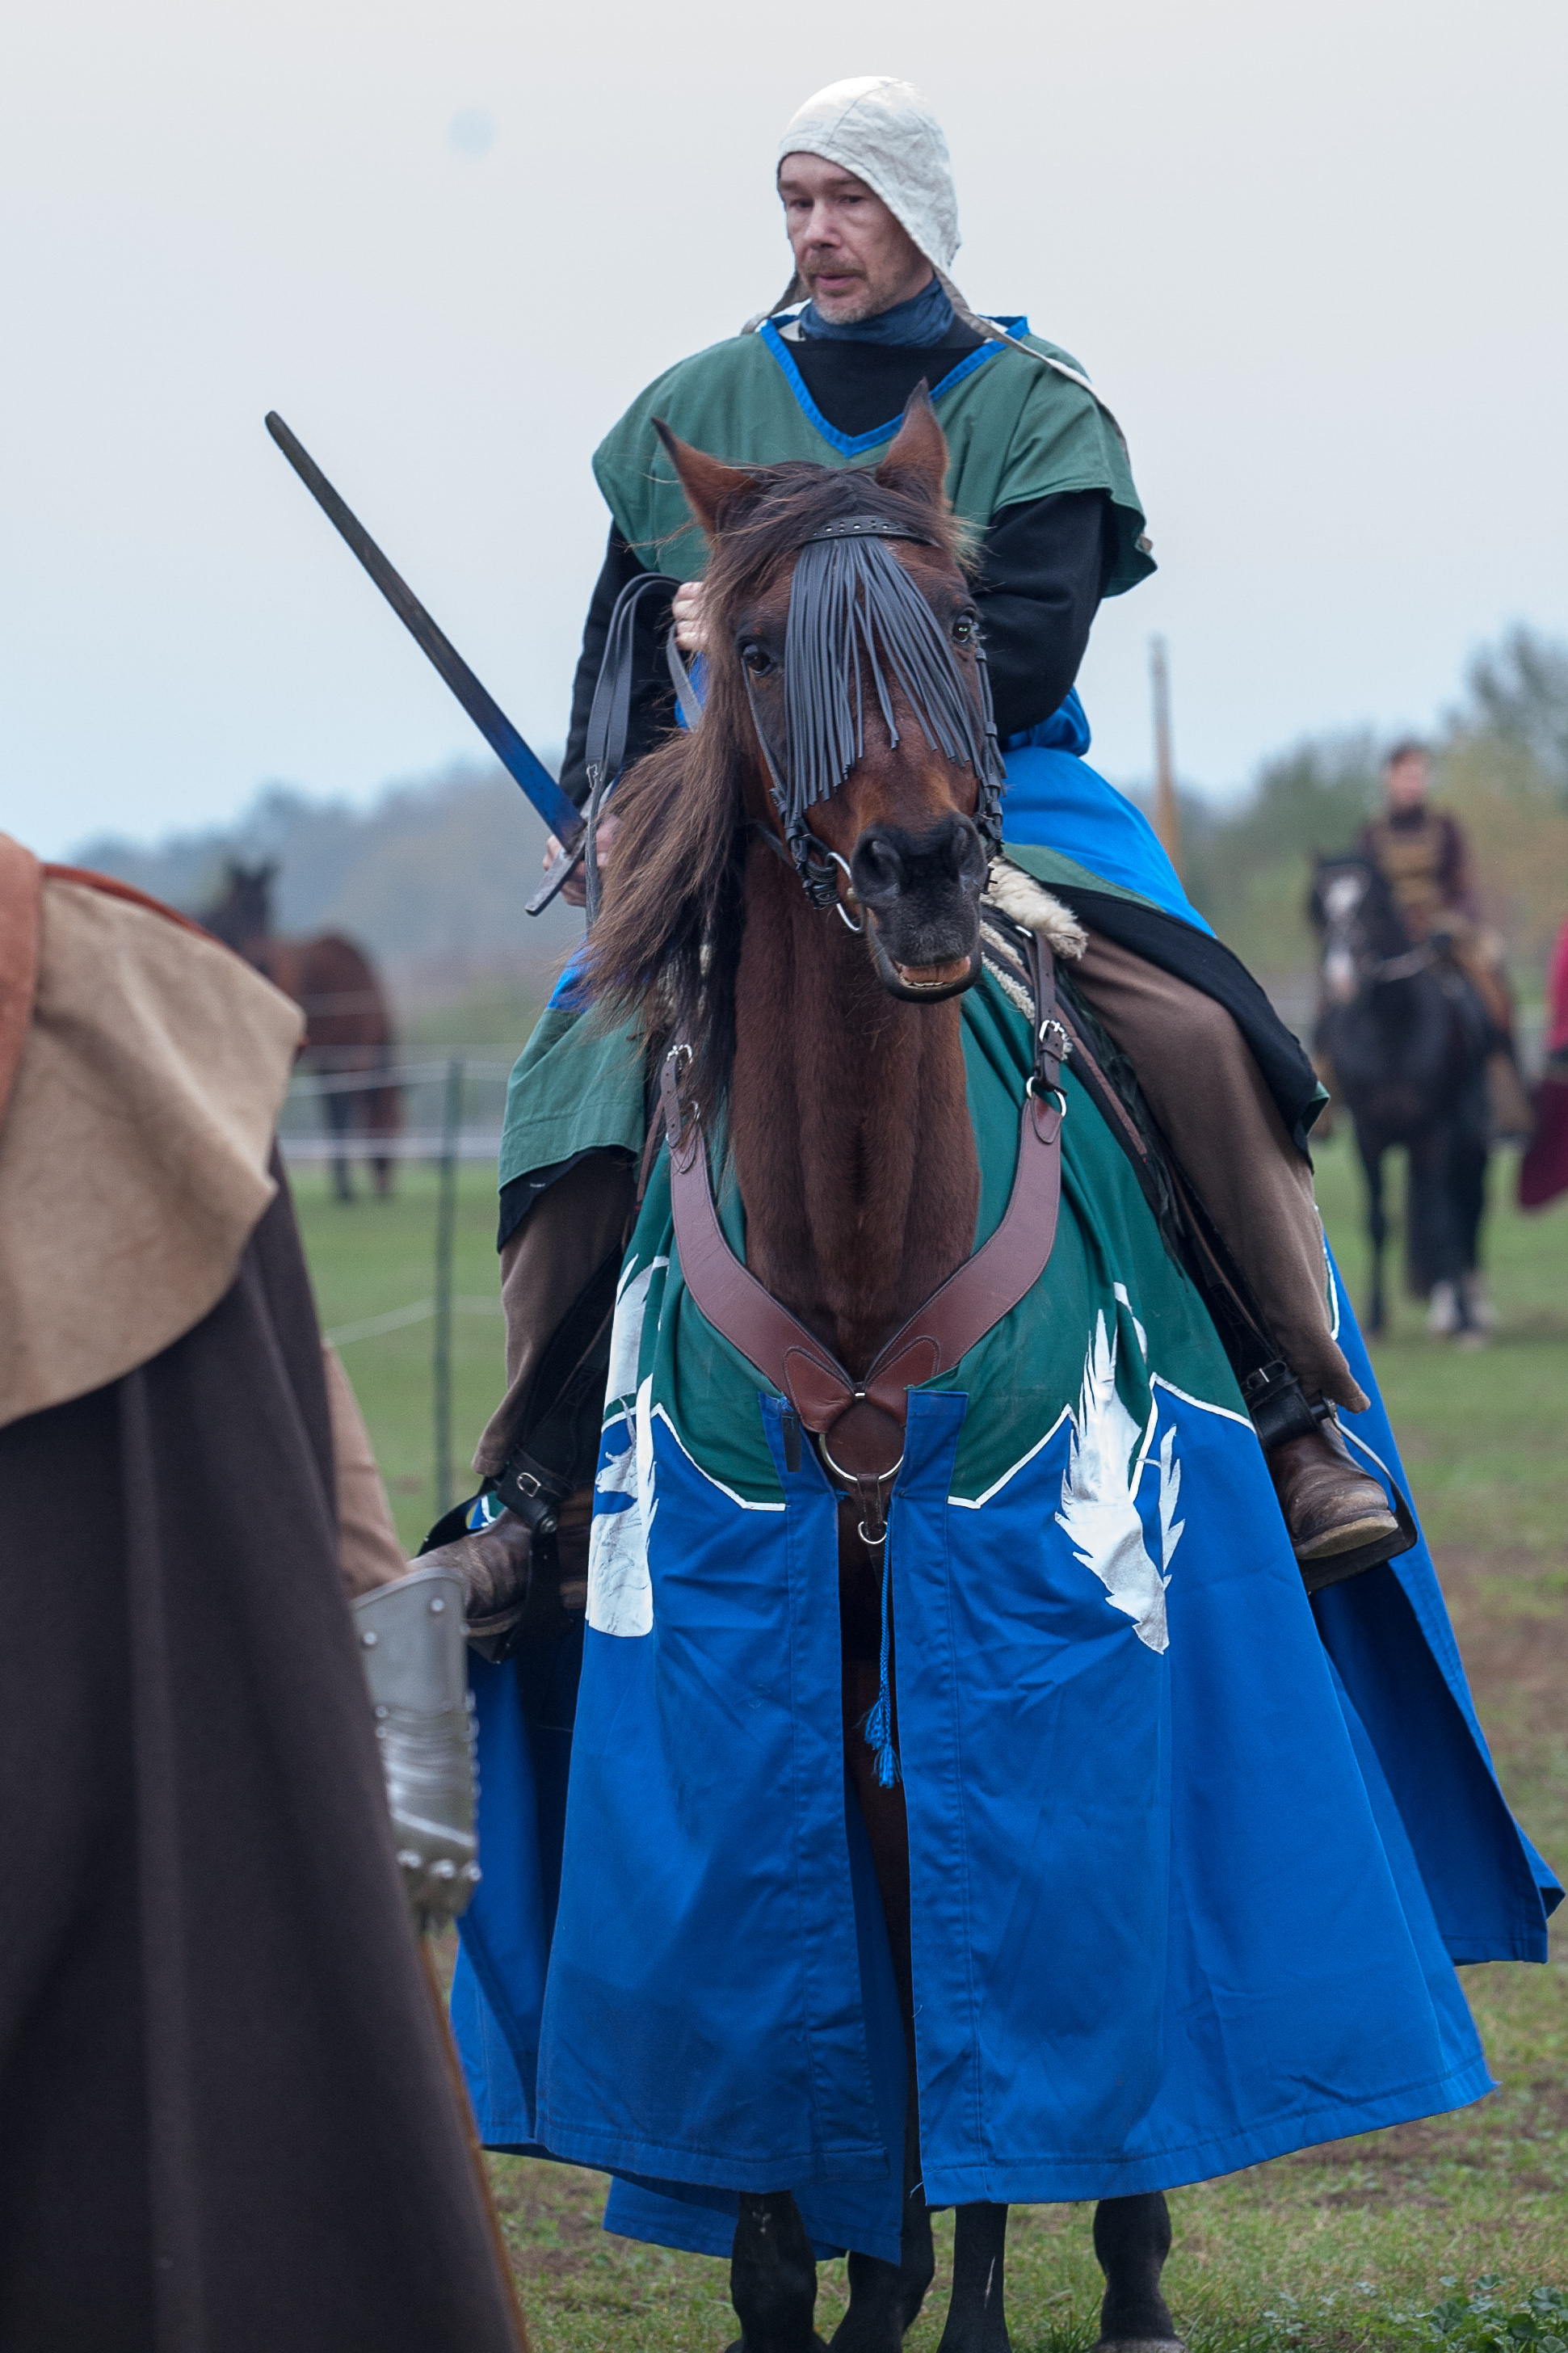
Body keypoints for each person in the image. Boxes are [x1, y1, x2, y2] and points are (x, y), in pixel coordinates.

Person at [460, 71, 1393, 1641]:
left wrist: (827, 659)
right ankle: (536, 1474)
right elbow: (618, 653)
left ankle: (1287, 1404)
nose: (819, 232)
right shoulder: (701, 406)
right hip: (747, 805)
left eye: (850, 200)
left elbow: (1023, 650)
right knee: (580, 1055)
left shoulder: (1032, 406)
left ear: (920, 212)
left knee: (1190, 1030)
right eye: (796, 202)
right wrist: (612, 791)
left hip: (998, 787)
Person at [0, 836, 523, 2351]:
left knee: (1158, 1009)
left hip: (972, 857)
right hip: (719, 870)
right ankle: (546, 1445)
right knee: (587, 1093)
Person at [1358, 736, 1534, 1138]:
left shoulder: (1444, 826)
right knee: (1338, 989)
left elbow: (1462, 885)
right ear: (1389, 778)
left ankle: (1506, 1073)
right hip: (1389, 941)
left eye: (1420, 775)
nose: (1414, 783)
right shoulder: (1371, 834)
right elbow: (1364, 893)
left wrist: (1450, 924)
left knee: (1491, 973)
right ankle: (1322, 1079)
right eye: (1406, 775)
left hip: (1442, 929)